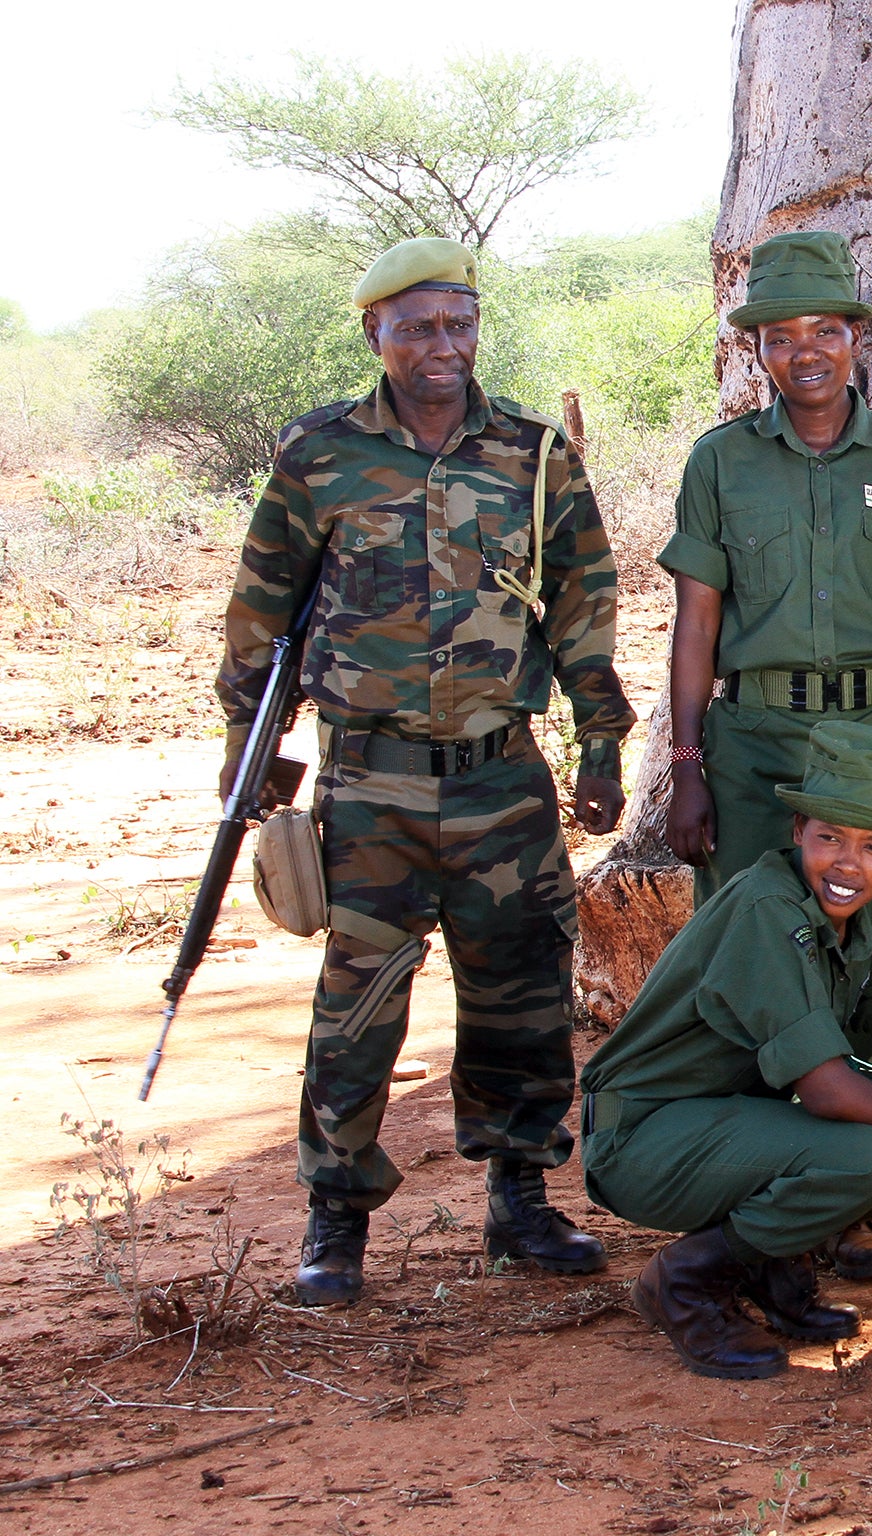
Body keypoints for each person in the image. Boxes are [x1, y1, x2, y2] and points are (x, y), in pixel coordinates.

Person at [215, 237, 635, 1306]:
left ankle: (520, 1203)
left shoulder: (535, 455)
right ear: (375, 333)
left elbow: (583, 599)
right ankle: (335, 1217)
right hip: (370, 784)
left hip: (503, 779)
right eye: (417, 328)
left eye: (458, 325)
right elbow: (263, 610)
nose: (441, 347)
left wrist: (597, 741)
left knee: (523, 995)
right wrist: (249, 750)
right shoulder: (318, 455)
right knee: (357, 1004)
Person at [660, 230, 872, 1283]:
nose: (806, 353)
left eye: (826, 330)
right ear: (756, 355)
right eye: (780, 338)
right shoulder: (720, 462)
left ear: (858, 337)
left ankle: (846, 1192)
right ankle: (753, 1182)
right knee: (752, 956)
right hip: (756, 740)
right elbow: (695, 622)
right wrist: (686, 766)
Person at [580, 721, 872, 1379]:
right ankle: (686, 1281)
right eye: (829, 837)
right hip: (646, 1136)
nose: (848, 863)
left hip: (742, 1117)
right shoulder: (765, 905)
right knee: (857, 1155)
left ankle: (771, 1264)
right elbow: (828, 1091)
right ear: (797, 833)